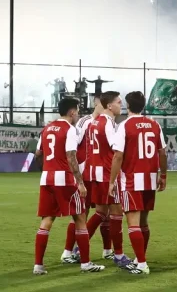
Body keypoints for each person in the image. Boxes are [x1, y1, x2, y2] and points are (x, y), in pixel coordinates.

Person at [33, 97, 105, 275]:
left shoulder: (47, 128)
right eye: (77, 111)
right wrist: (80, 182)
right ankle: (86, 264)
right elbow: (71, 157)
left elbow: (38, 153)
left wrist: (47, 168)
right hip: (64, 179)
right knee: (80, 218)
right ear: (72, 112)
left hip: (46, 178)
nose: (78, 114)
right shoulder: (70, 129)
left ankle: (38, 266)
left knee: (47, 220)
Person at [109, 91, 168, 275]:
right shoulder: (154, 124)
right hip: (149, 179)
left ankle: (142, 264)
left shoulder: (125, 126)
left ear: (128, 106)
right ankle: (140, 258)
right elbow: (162, 152)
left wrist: (112, 181)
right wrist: (163, 175)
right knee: (143, 222)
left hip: (131, 180)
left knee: (133, 223)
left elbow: (118, 156)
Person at [60, 93, 112, 263]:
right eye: (102, 103)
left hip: (99, 173)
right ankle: (70, 251)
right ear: (96, 104)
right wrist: (78, 174)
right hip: (86, 174)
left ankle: (107, 250)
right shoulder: (85, 122)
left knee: (105, 213)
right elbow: (73, 148)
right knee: (82, 214)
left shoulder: (108, 121)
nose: (105, 105)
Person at [87, 91, 131, 268]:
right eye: (119, 102)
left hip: (95, 172)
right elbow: (116, 150)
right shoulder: (109, 123)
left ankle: (78, 247)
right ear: (110, 106)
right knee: (116, 213)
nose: (121, 105)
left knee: (100, 213)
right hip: (107, 173)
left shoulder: (95, 122)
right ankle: (119, 255)